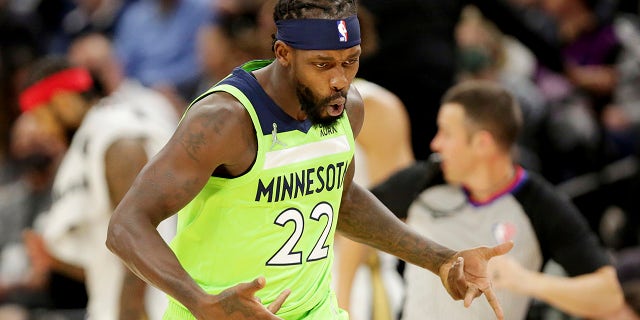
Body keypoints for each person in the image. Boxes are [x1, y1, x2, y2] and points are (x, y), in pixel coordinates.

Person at [105, 1, 514, 319]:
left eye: (350, 61)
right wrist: (201, 302)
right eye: (322, 65)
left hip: (315, 310)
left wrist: (442, 260)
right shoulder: (224, 120)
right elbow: (126, 225)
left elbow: (343, 200)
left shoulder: (347, 108)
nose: (340, 79)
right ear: (283, 53)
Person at [370, 80, 624, 320]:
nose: (436, 144)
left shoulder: (538, 204)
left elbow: (609, 295)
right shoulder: (423, 181)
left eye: (446, 133)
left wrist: (525, 281)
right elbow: (353, 213)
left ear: (482, 143)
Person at [19, 55, 178, 320]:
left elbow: (139, 235)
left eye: (40, 116)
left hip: (147, 308)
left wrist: (131, 311)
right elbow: (106, 259)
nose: (42, 131)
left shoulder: (116, 138)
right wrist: (52, 258)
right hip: (112, 304)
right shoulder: (91, 140)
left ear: (62, 102)